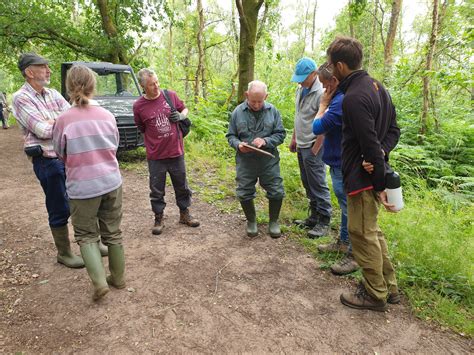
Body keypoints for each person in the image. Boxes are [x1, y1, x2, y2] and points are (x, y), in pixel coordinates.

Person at [326, 36, 401, 311]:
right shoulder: (378, 87)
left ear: (341, 65)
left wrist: (378, 177)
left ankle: (374, 294)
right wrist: (380, 154)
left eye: (331, 65)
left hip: (360, 180)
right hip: (371, 172)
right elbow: (393, 132)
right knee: (373, 232)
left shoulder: (354, 97)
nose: (330, 69)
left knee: (361, 234)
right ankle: (389, 287)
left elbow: (370, 142)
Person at [52, 65, 125, 301]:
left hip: (82, 187)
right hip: (111, 181)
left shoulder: (63, 120)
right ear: (93, 86)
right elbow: (114, 145)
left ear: (69, 87)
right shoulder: (107, 115)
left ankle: (100, 282)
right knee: (113, 233)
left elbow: (59, 152)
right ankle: (119, 278)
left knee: (86, 235)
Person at [12, 52, 84, 269]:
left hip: (68, 155)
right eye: (43, 67)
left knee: (82, 200)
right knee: (59, 205)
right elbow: (42, 130)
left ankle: (90, 243)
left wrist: (57, 121)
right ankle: (64, 253)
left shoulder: (52, 93)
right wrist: (61, 121)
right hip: (47, 160)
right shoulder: (21, 98)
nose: (49, 70)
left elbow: (75, 118)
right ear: (29, 72)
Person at [133, 68, 199, 235]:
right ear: (142, 86)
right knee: (156, 189)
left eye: (157, 82)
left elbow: (185, 109)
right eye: (151, 84)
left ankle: (184, 214)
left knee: (182, 185)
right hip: (156, 155)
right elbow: (141, 127)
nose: (156, 86)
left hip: (176, 151)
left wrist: (181, 116)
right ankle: (159, 218)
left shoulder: (169, 95)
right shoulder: (138, 106)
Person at [312, 62, 358, 275]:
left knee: (350, 207)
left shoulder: (339, 101)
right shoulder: (339, 98)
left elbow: (317, 126)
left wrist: (322, 105)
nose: (323, 89)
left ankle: (353, 252)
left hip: (343, 163)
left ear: (334, 81)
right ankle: (343, 241)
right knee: (344, 204)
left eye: (324, 83)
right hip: (337, 161)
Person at [226, 81, 286, 238]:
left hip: (268, 159)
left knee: (276, 190)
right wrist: (239, 145)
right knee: (244, 191)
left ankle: (273, 222)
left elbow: (280, 134)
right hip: (245, 160)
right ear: (247, 95)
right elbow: (231, 136)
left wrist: (266, 141)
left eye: (260, 101)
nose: (257, 104)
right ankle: (251, 221)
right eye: (253, 101)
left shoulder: (273, 111)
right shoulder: (237, 112)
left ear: (266, 96)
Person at [289, 57, 332, 239]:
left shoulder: (322, 93)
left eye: (303, 77)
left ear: (314, 74)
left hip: (314, 145)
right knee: (307, 181)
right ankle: (313, 216)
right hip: (301, 142)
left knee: (317, 182)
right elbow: (299, 115)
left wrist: (316, 147)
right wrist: (294, 138)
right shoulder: (301, 89)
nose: (300, 81)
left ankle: (324, 220)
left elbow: (325, 123)